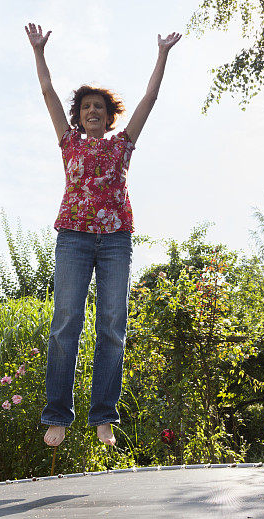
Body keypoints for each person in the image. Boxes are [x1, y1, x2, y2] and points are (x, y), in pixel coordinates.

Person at [25, 22, 181, 447]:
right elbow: (47, 93)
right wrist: (39, 51)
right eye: (86, 107)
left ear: (109, 117)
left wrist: (162, 54)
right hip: (73, 238)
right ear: (79, 117)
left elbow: (149, 99)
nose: (92, 111)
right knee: (65, 325)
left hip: (114, 241)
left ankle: (103, 417)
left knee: (113, 325)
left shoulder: (122, 145)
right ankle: (57, 415)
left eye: (100, 108)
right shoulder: (69, 143)